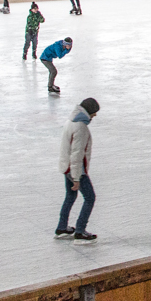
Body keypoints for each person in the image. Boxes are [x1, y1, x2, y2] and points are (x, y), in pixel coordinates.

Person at [57, 97, 100, 241]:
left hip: (67, 167)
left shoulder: (71, 121)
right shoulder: (81, 127)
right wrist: (76, 178)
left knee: (70, 196)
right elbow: (77, 154)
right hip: (76, 171)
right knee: (90, 198)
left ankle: (62, 227)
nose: (95, 115)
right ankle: (80, 230)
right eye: (94, 112)